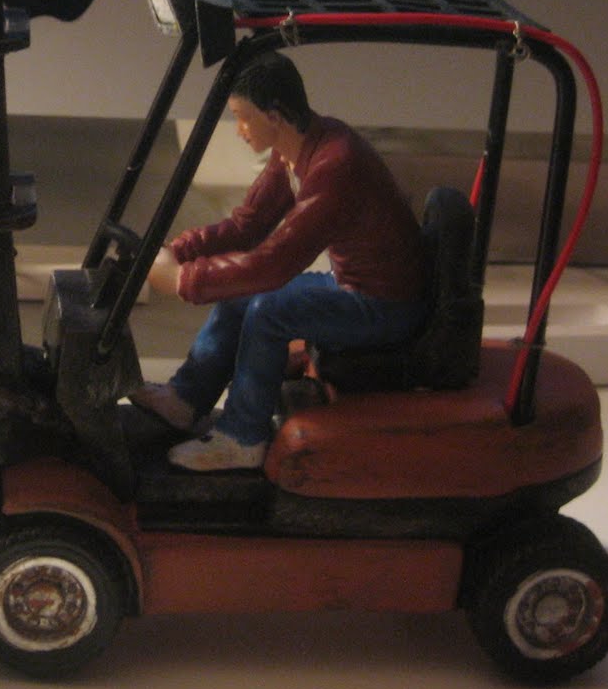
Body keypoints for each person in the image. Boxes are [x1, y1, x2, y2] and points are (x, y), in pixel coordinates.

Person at [135, 51, 428, 472]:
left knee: (268, 310)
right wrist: (181, 249)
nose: (239, 130)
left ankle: (243, 437)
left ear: (273, 115)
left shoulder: (336, 164)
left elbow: (274, 265)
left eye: (243, 118)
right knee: (241, 298)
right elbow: (247, 225)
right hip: (352, 284)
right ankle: (186, 399)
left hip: (384, 304)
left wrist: (184, 279)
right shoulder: (295, 148)